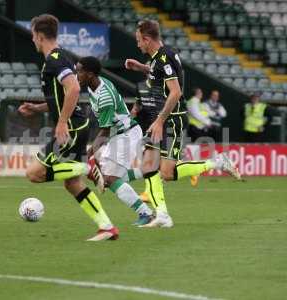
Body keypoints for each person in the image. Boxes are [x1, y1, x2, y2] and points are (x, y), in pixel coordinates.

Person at [124, 20, 241, 227]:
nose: (137, 45)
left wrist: (160, 120)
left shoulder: (164, 57)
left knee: (167, 173)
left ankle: (218, 162)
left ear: (147, 39)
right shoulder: (158, 57)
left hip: (172, 119)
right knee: (149, 166)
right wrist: (142, 68)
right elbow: (158, 75)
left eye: (138, 41)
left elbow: (176, 91)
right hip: (159, 118)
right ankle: (162, 215)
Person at [18, 14, 118, 241]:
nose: (33, 40)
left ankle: (86, 167)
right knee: (72, 184)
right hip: (77, 124)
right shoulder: (59, 56)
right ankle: (107, 227)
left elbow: (73, 89)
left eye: (33, 35)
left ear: (40, 36)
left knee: (33, 174)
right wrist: (37, 109)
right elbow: (61, 97)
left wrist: (62, 122)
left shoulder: (54, 58)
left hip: (71, 126)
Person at [76, 56, 154, 226]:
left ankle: (146, 213)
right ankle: (151, 171)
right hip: (119, 134)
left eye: (79, 71)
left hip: (125, 135)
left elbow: (104, 130)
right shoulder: (94, 85)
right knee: (112, 177)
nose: (77, 75)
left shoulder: (104, 96)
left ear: (89, 74)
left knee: (111, 179)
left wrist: (89, 152)